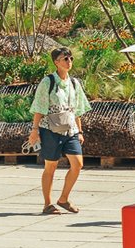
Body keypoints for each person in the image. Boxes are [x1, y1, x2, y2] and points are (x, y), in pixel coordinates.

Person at [30, 48, 91, 215]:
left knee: (78, 164)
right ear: (56, 62)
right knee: (51, 166)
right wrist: (34, 130)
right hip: (50, 128)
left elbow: (77, 110)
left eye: (71, 58)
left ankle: (63, 199)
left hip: (70, 129)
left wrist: (80, 131)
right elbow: (39, 107)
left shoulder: (74, 83)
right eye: (65, 58)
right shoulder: (47, 82)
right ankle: (47, 204)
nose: (69, 61)